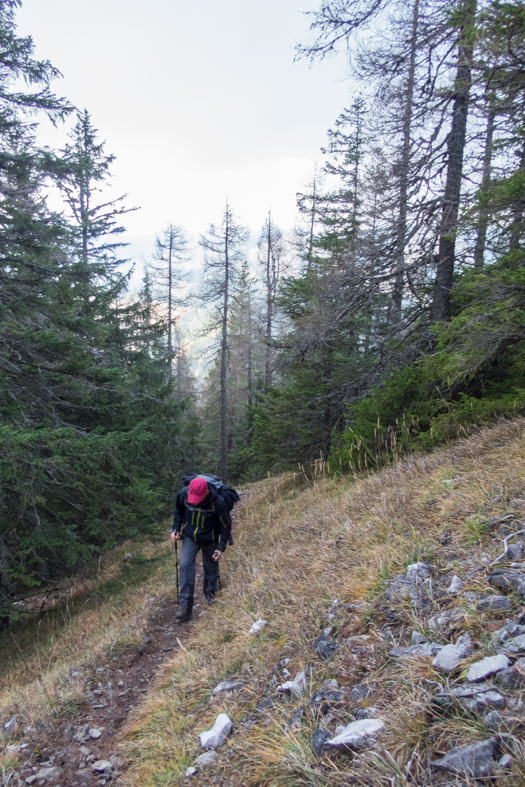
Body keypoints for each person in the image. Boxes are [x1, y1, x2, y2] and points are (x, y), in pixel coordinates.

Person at [171, 476, 232, 621]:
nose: (194, 500)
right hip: (190, 536)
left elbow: (226, 526)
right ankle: (186, 606)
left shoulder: (218, 502)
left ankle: (211, 599)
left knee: (210, 567)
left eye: (197, 497)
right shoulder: (184, 494)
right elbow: (178, 511)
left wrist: (221, 547)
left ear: (205, 493)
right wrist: (176, 528)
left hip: (210, 538)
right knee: (185, 565)